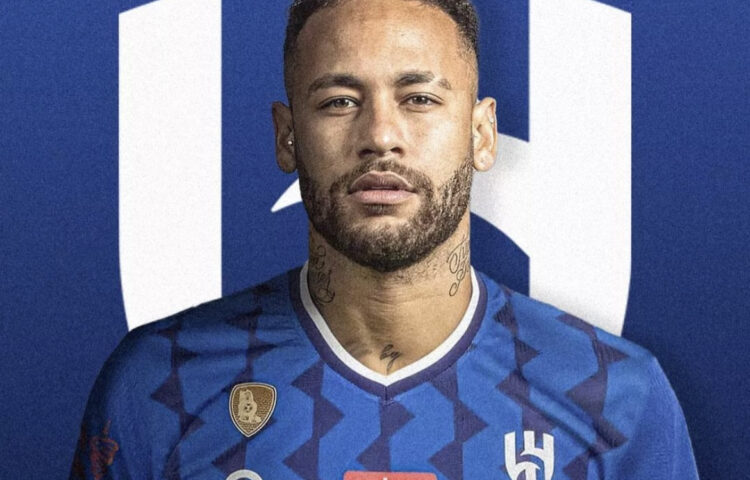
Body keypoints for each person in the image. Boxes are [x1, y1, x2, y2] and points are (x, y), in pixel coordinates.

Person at [70, 0, 699, 479]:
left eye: (419, 98)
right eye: (340, 101)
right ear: (287, 136)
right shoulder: (162, 385)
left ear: (482, 134)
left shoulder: (615, 399)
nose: (381, 136)